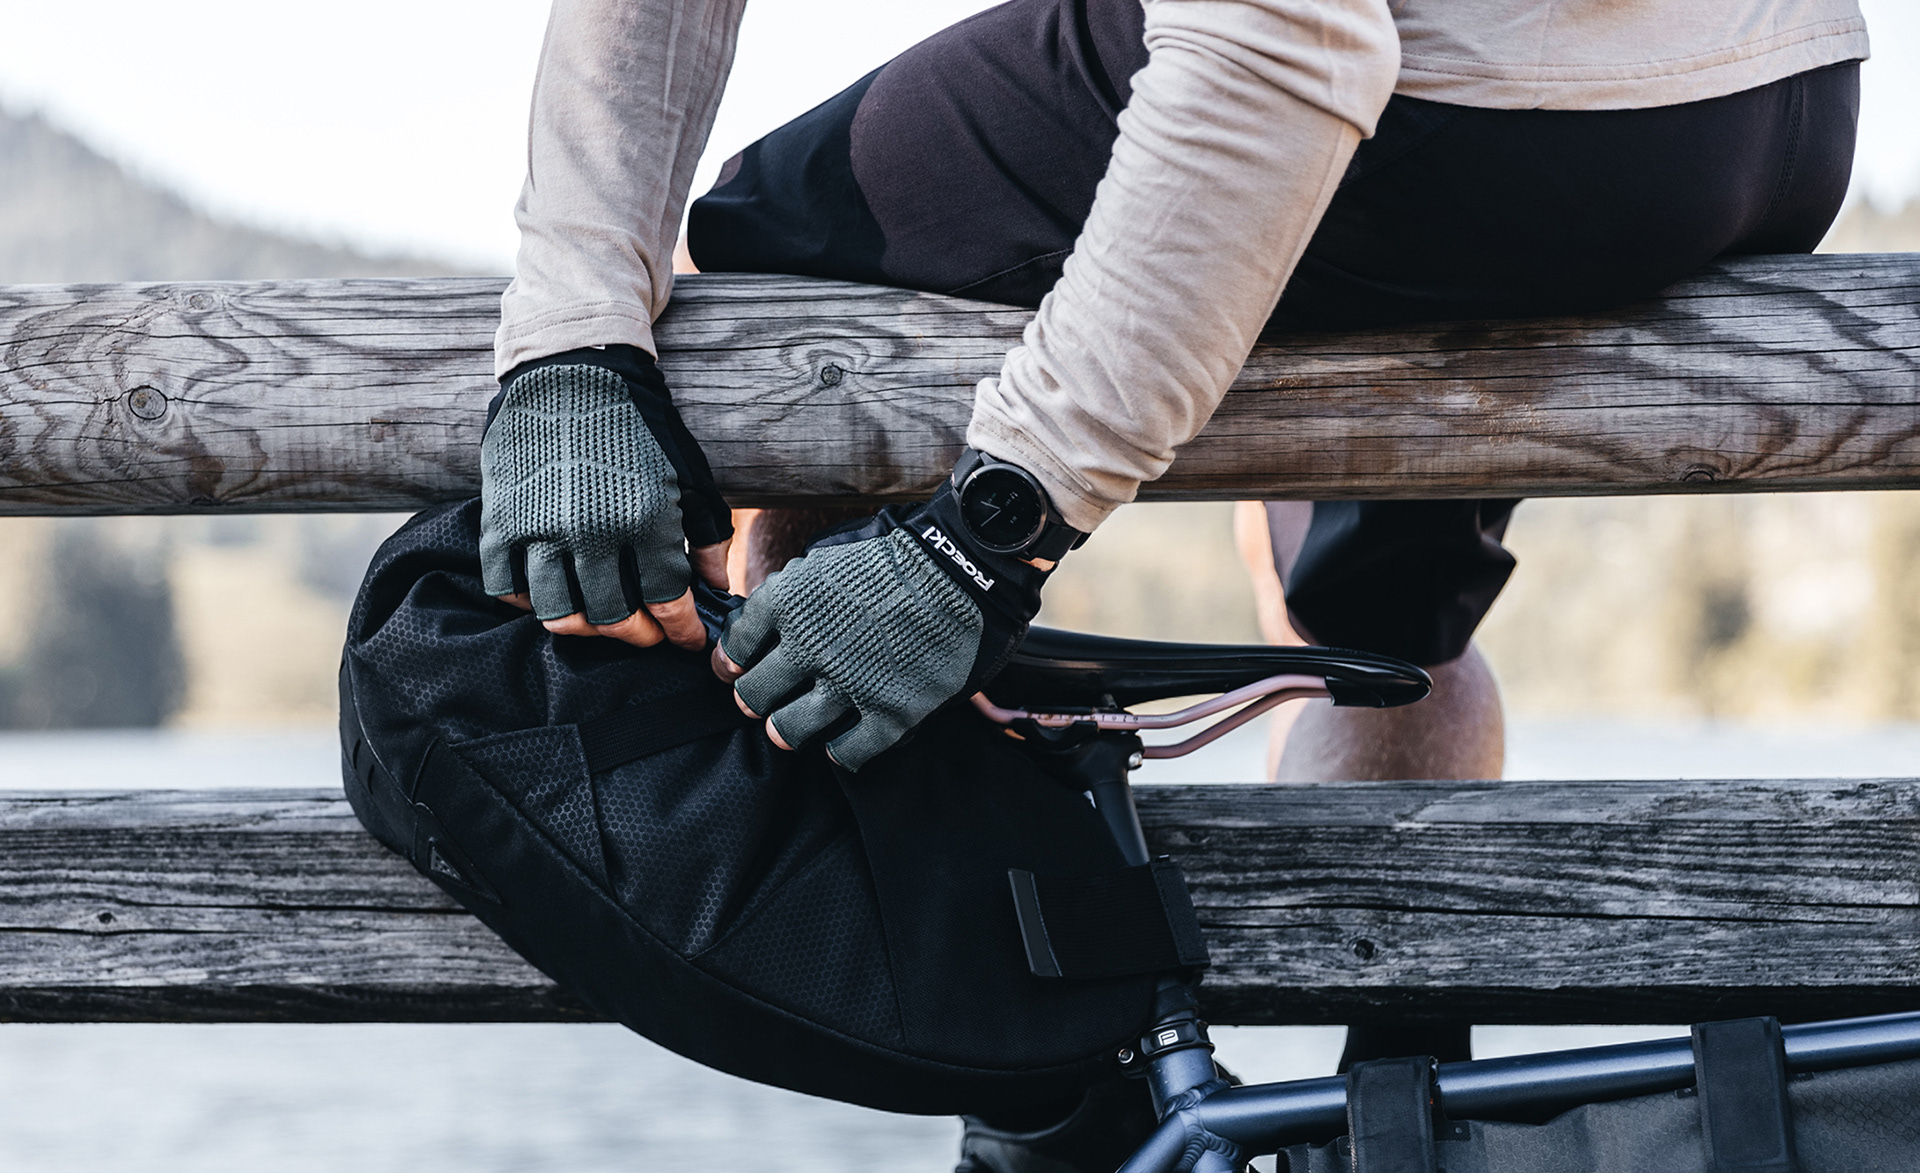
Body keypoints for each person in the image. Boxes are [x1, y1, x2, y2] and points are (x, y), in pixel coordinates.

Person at [483, 0, 1866, 1160]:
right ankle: (1392, 1113)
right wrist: (566, 332)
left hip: (1449, 106)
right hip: (1773, 99)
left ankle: (1041, 1087)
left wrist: (982, 539)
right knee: (1374, 618)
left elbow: (1283, 46)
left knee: (773, 271)